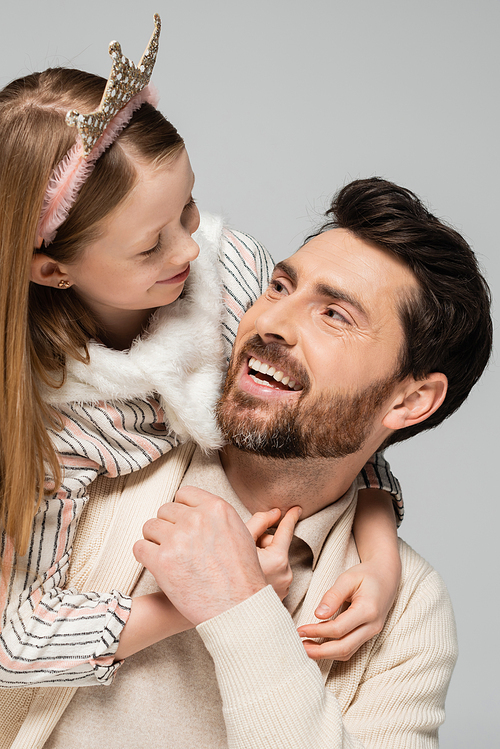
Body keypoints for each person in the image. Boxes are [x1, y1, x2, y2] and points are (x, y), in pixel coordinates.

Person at [0, 16, 403, 699]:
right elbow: (13, 638)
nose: (191, 250)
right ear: (51, 271)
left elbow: (338, 412)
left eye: (188, 208)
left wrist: (381, 544)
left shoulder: (234, 272)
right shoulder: (47, 428)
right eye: (149, 245)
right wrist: (208, 599)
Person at [44, 176, 489, 749]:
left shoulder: (407, 609)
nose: (270, 323)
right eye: (279, 286)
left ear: (409, 401)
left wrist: (240, 608)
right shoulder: (92, 462)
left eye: (335, 315)